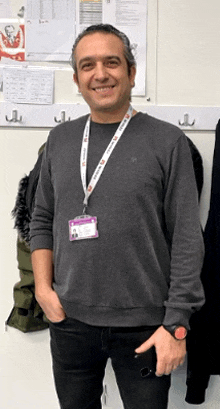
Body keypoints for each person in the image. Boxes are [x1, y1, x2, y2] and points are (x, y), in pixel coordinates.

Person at [30, 24, 205, 409]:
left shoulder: (168, 141)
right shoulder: (60, 140)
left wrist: (176, 324)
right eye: (88, 65)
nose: (101, 74)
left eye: (112, 62)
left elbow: (188, 238)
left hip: (146, 326)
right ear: (77, 79)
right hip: (71, 323)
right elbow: (40, 217)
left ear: (131, 72)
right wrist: (44, 290)